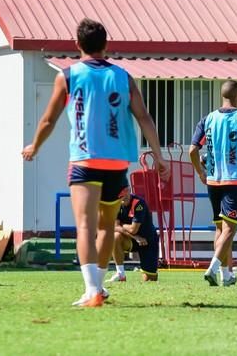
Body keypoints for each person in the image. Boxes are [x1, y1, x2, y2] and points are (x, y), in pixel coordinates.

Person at [22, 18, 169, 307]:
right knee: (105, 227)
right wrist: (159, 155)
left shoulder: (68, 76)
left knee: (86, 227)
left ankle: (92, 290)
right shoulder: (123, 77)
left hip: (85, 161)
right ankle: (98, 288)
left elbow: (49, 119)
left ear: (77, 45)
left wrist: (34, 146)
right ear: (106, 44)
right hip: (116, 164)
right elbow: (144, 117)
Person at [189, 80, 237, 287]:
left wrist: (201, 172)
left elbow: (193, 150)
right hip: (236, 180)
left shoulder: (208, 119)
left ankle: (226, 275)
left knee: (220, 229)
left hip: (213, 181)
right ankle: (212, 269)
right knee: (230, 229)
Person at [108, 187, 159, 282]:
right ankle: (120, 274)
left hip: (148, 240)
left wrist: (122, 225)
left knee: (150, 280)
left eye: (126, 192)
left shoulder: (139, 203)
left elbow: (133, 229)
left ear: (130, 190)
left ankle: (149, 271)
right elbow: (115, 227)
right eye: (121, 194)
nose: (124, 196)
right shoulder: (116, 204)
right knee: (115, 237)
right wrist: (135, 237)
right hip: (133, 239)